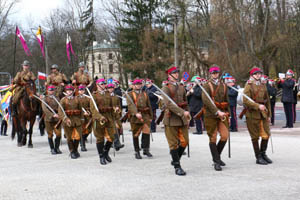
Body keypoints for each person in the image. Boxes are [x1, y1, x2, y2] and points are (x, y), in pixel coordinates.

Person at [162, 66, 190, 176]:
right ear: (169, 75)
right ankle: (177, 166)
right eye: (174, 73)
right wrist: (182, 112)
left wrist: (187, 112)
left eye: (177, 72)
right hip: (171, 118)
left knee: (185, 141)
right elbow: (168, 104)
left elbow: (185, 101)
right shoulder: (166, 88)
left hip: (182, 119)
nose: (177, 74)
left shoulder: (182, 87)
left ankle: (175, 159)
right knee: (173, 144)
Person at [202, 65, 230, 171]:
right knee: (213, 138)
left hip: (222, 114)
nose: (215, 74)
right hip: (211, 115)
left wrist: (228, 113)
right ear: (210, 74)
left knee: (224, 135)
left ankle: (216, 157)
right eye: (213, 73)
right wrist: (216, 112)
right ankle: (216, 161)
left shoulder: (223, 85)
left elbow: (227, 100)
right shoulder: (206, 85)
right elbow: (206, 100)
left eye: (217, 72)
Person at [243, 67, 272, 165]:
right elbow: (246, 100)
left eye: (259, 73)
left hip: (263, 114)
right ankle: (258, 157)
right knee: (255, 136)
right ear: (252, 75)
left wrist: (269, 114)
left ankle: (263, 153)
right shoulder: (248, 85)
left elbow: (267, 100)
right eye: (256, 74)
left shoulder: (263, 85)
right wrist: (257, 106)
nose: (258, 75)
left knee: (266, 134)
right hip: (252, 114)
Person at [90, 79, 115, 165]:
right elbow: (93, 110)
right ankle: (101, 156)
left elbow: (111, 107)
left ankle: (105, 152)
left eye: (105, 83)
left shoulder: (108, 94)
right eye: (102, 84)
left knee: (111, 137)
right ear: (97, 85)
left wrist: (114, 114)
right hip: (98, 119)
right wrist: (100, 117)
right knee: (100, 138)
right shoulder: (94, 95)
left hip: (109, 118)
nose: (104, 85)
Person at [127, 78, 153, 159]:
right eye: (137, 84)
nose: (138, 85)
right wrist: (136, 113)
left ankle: (146, 149)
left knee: (146, 133)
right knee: (136, 135)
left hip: (145, 116)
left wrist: (151, 116)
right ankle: (137, 151)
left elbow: (149, 105)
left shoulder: (145, 93)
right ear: (133, 85)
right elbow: (130, 105)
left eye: (139, 84)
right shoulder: (130, 94)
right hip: (135, 118)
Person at [58, 84, 84, 159]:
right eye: (68, 90)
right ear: (66, 91)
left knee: (78, 136)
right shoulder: (63, 100)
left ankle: (75, 149)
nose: (69, 92)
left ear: (73, 91)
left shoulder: (77, 99)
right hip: (67, 121)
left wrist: (82, 119)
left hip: (77, 120)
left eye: (70, 90)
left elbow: (81, 110)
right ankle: (72, 151)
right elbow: (60, 111)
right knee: (69, 137)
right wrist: (65, 119)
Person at [41, 85, 62, 155]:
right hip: (48, 119)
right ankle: (52, 148)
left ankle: (57, 148)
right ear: (47, 91)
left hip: (57, 119)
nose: (51, 91)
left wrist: (59, 114)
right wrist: (52, 115)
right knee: (50, 134)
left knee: (59, 134)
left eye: (52, 90)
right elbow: (44, 109)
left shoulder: (57, 98)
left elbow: (60, 107)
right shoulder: (45, 99)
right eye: (50, 90)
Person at [107, 83, 125, 151]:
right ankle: (116, 143)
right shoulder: (106, 96)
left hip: (116, 115)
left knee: (118, 128)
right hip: (109, 115)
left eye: (112, 88)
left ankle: (115, 143)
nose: (110, 89)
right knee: (113, 129)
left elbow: (119, 105)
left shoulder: (116, 97)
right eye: (109, 88)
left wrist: (118, 109)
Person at [77, 84, 92, 151]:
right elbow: (76, 108)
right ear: (78, 91)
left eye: (82, 90)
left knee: (89, 130)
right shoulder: (76, 98)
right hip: (80, 116)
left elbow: (91, 107)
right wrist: (83, 113)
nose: (81, 91)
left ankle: (82, 139)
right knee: (82, 131)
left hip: (87, 116)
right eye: (80, 90)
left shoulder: (88, 98)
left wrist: (88, 112)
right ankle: (82, 145)